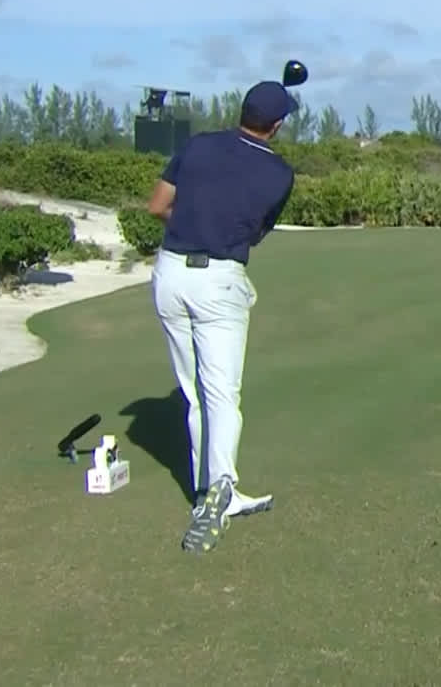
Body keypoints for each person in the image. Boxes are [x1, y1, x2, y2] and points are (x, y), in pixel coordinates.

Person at [145, 78, 298, 553]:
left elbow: (157, 206)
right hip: (219, 281)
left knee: (194, 392)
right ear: (276, 125)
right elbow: (253, 235)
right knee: (222, 394)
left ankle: (206, 490)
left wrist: (191, 224)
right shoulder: (279, 175)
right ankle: (222, 490)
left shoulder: (198, 145)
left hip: (169, 275)